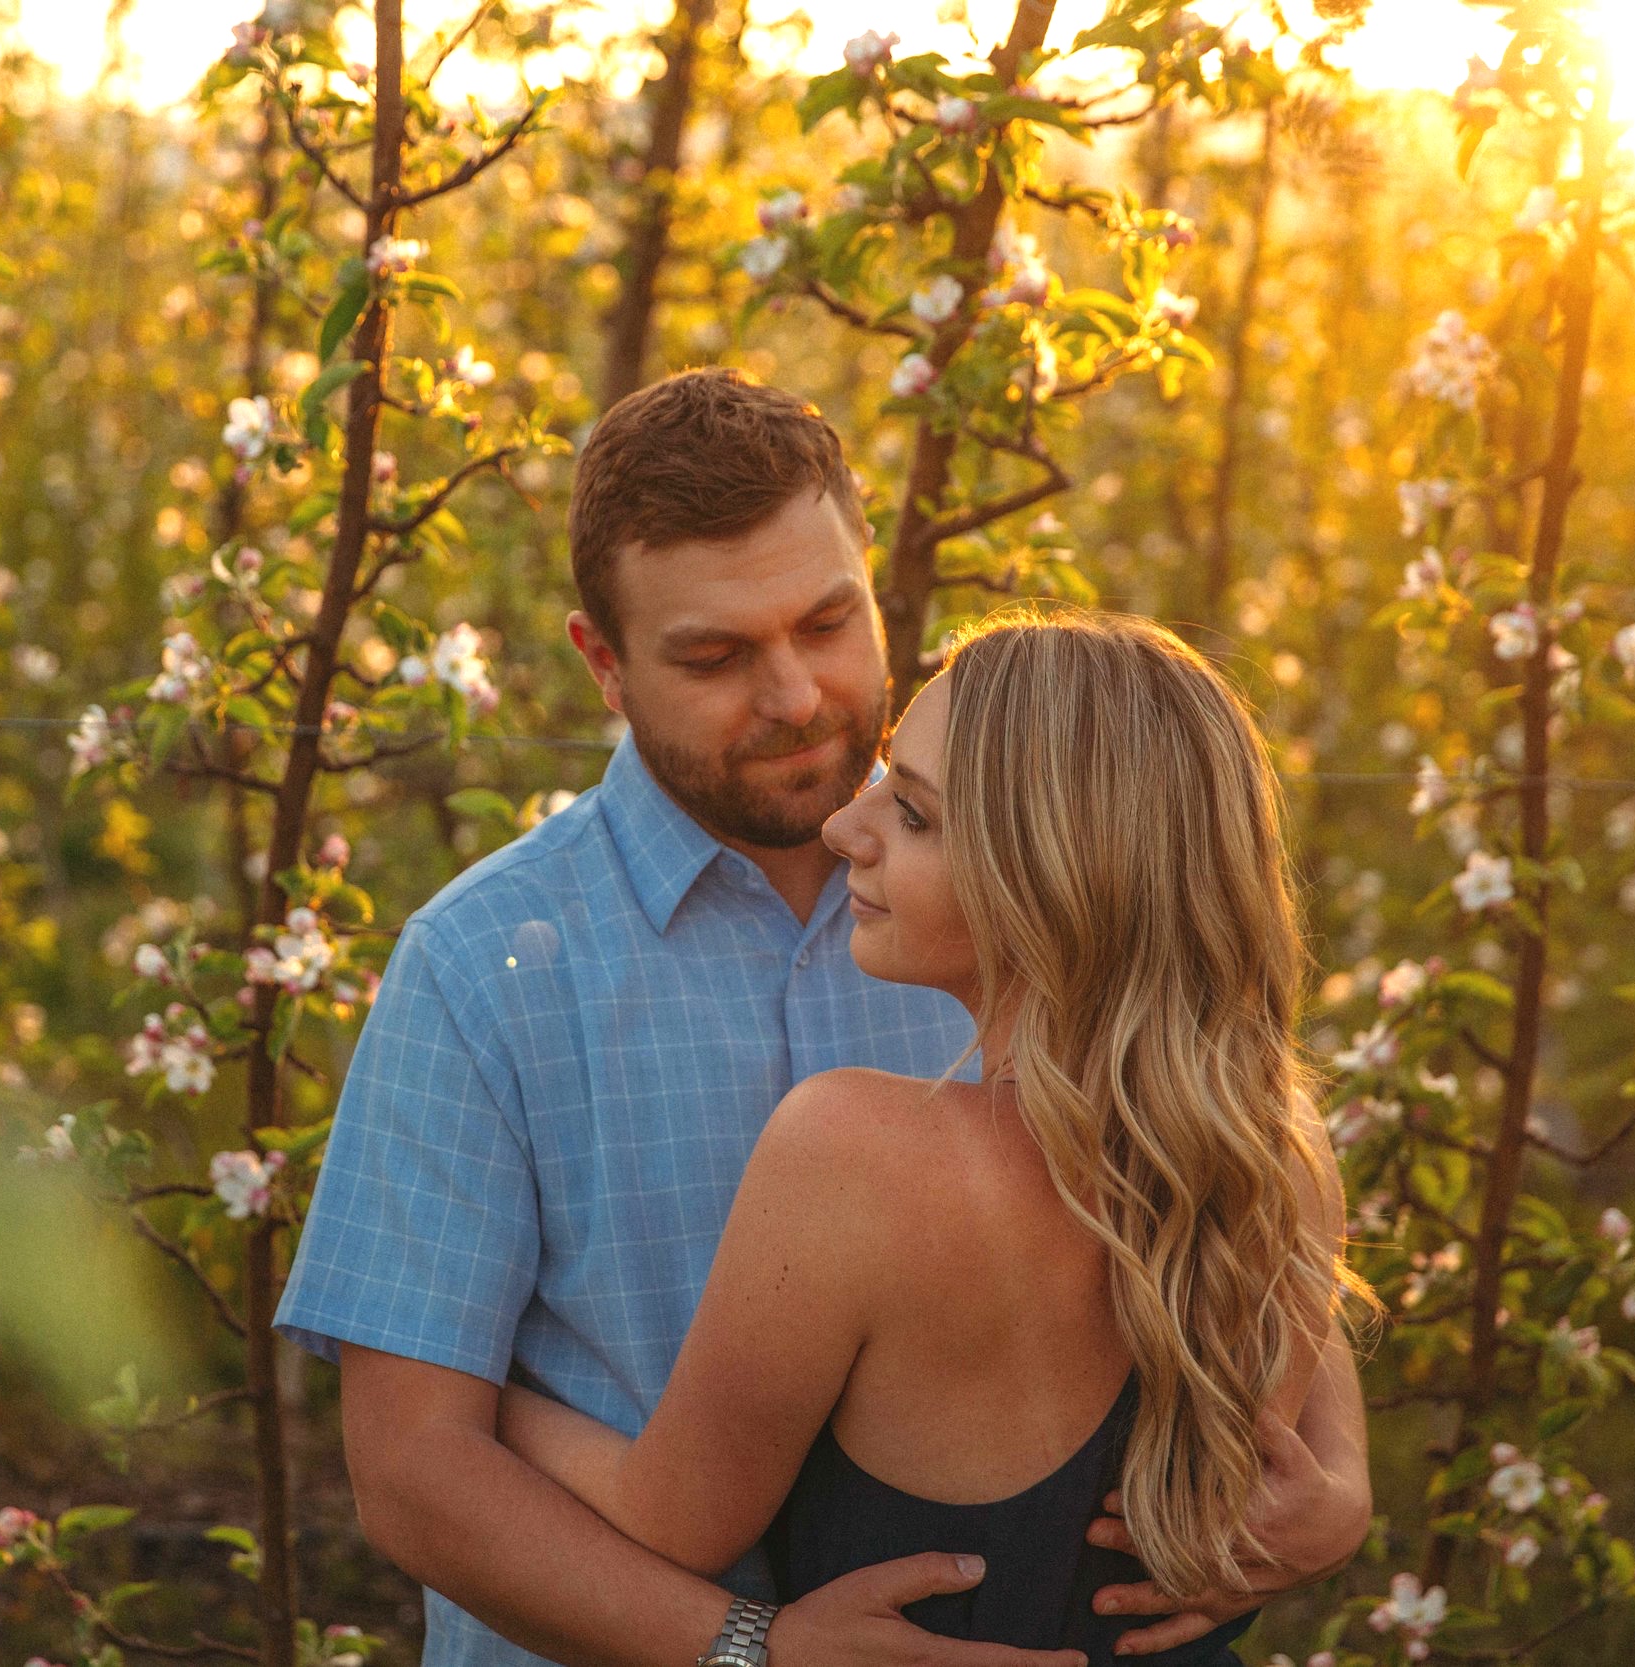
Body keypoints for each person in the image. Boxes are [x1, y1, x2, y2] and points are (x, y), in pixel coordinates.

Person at [275, 370, 1371, 1667]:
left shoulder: (1013, 878)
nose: (796, 695)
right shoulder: (479, 969)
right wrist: (751, 1650)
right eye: (715, 653)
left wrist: (1339, 1475)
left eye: (828, 619)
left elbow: (1223, 1171)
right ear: (604, 664)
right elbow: (412, 1477)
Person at [494, 609, 1377, 1663]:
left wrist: (484, 1397)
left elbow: (678, 1517)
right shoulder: (1275, 1157)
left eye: (911, 814)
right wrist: (1349, 1484)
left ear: (1051, 878)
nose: (842, 830)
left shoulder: (855, 1152)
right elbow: (1313, 1400)